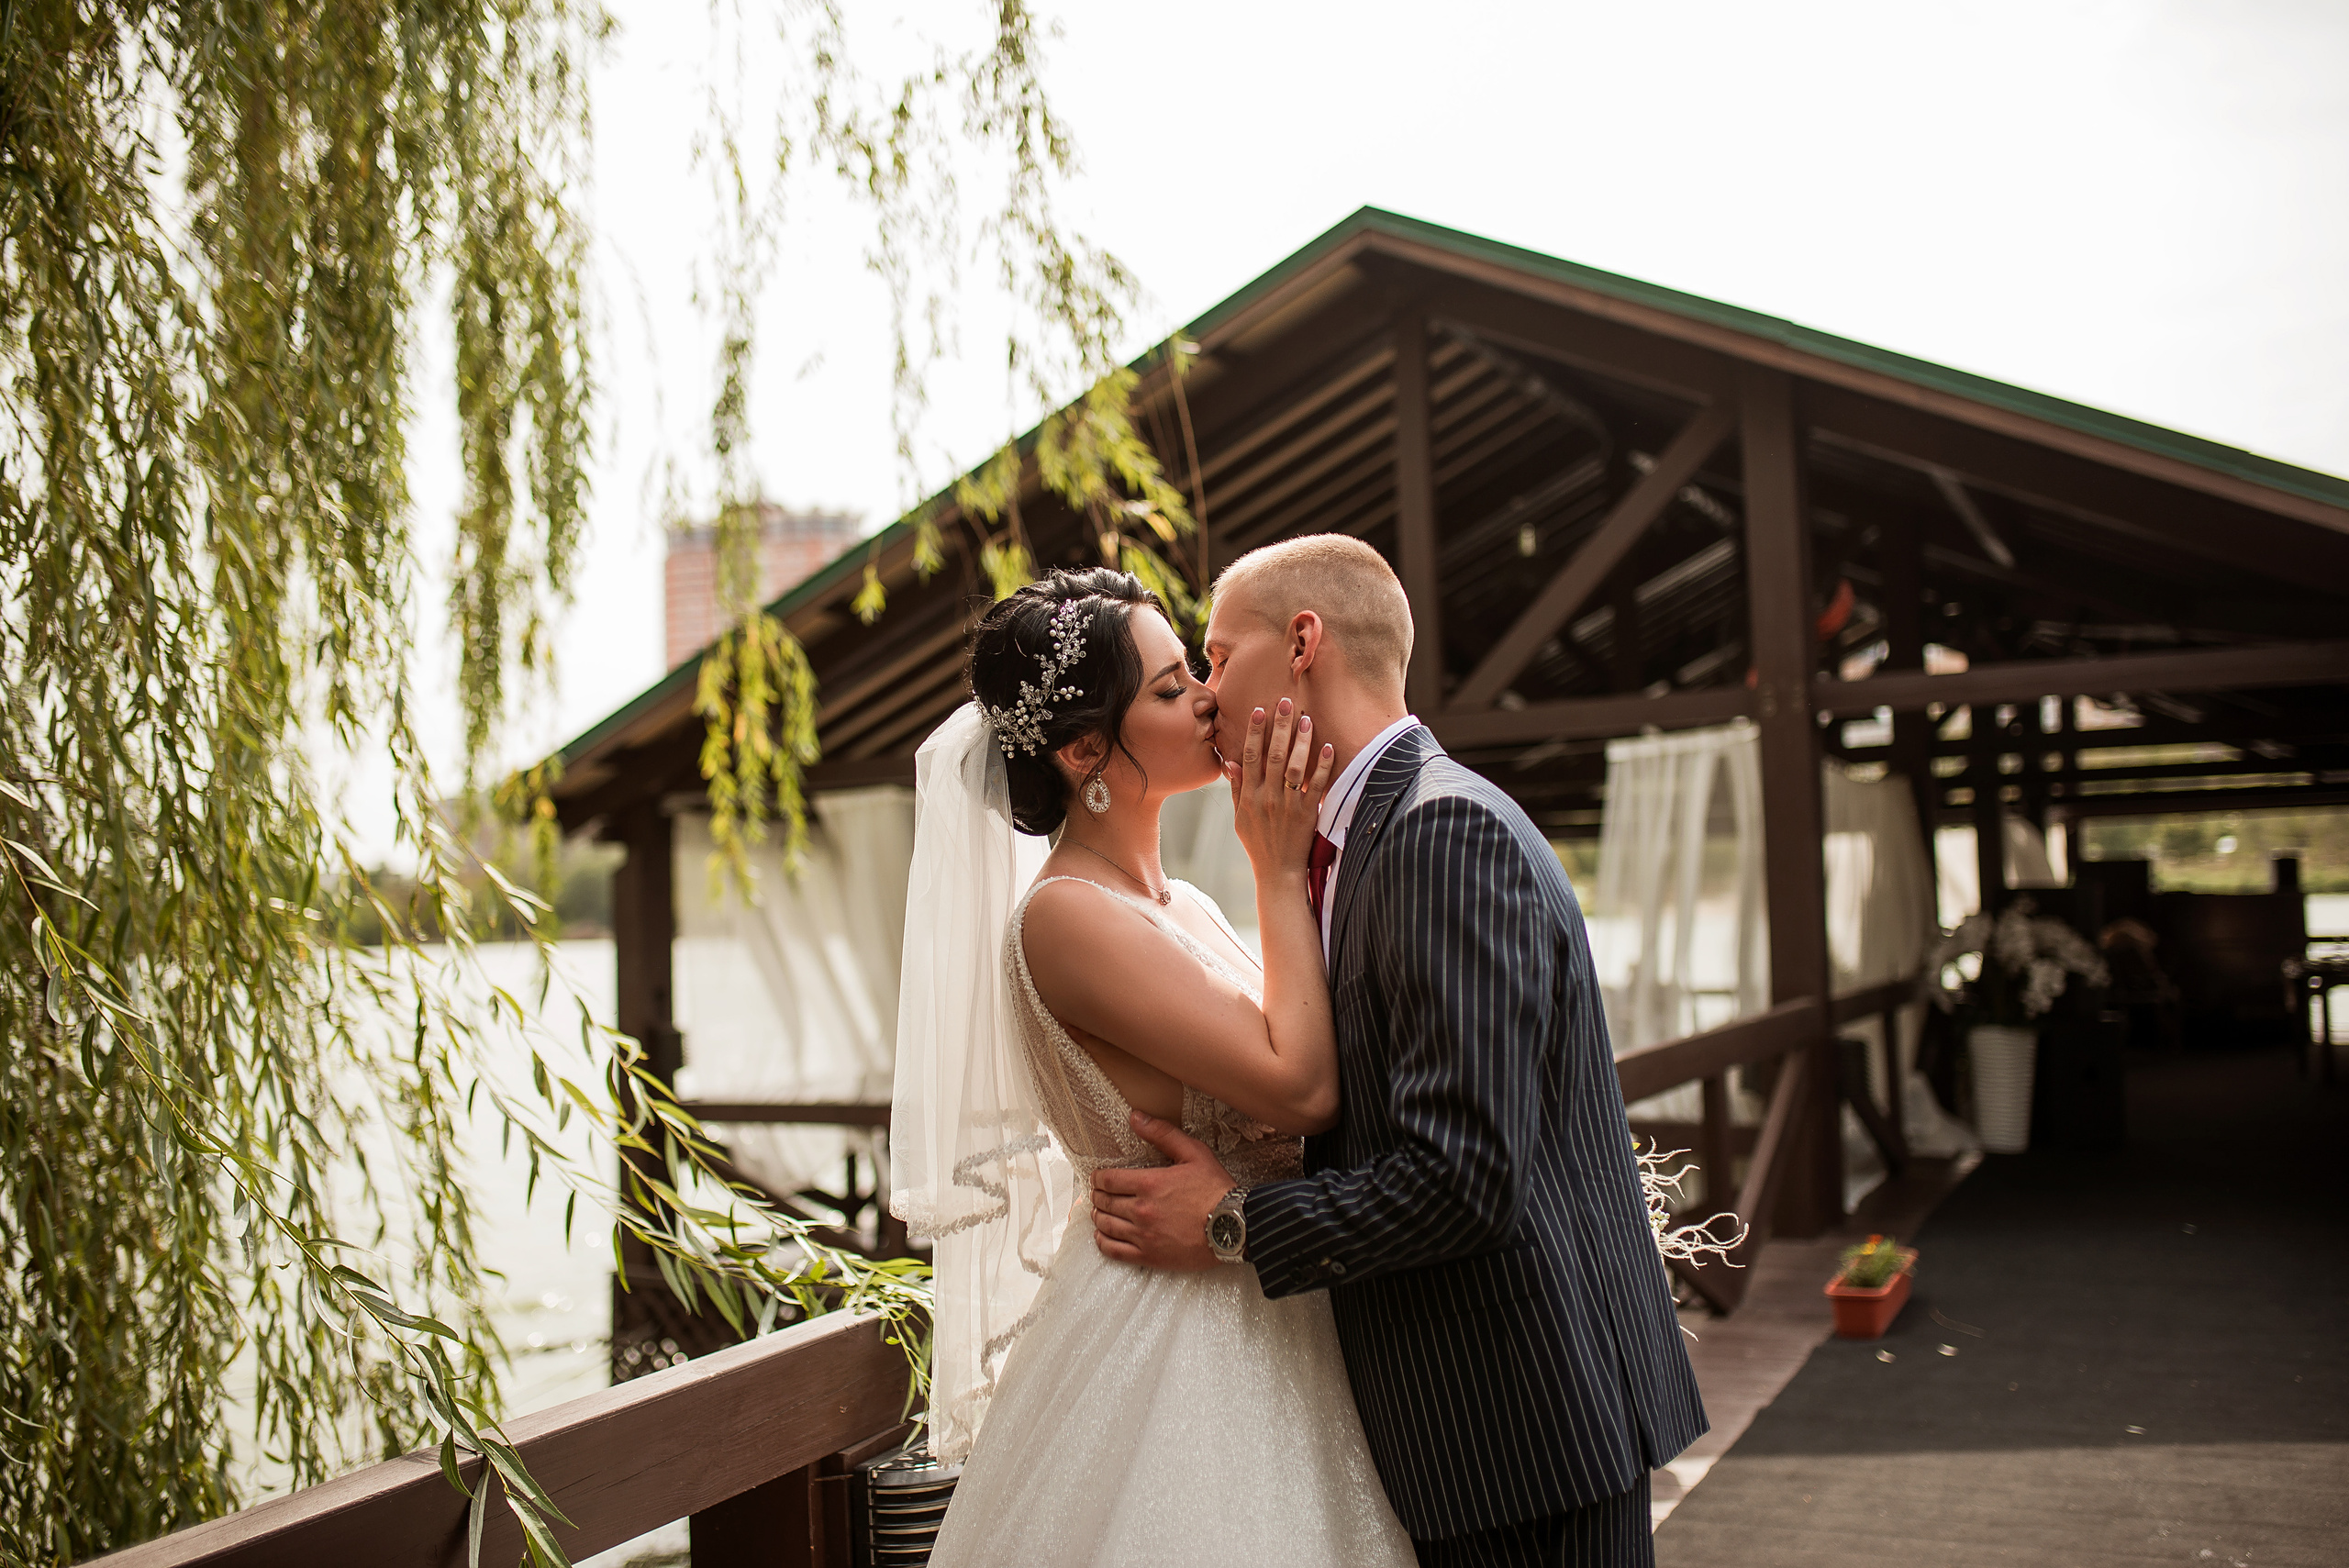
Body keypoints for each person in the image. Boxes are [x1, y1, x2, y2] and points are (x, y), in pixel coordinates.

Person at [1090, 535, 1707, 1568]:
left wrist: (1233, 1221)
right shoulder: (1365, 836)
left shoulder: (1435, 835)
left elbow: (1463, 1177)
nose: (1204, 694)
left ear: (1301, 641)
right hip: (1491, 1420)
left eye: (1216, 655)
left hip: (1517, 1424)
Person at [892, 565, 1415, 1566]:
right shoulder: (1066, 917)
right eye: (1173, 689)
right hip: (1179, 1333)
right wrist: (1275, 857)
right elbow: (1302, 1086)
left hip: (1260, 1285)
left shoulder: (1185, 906)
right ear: (1085, 747)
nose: (1211, 698)